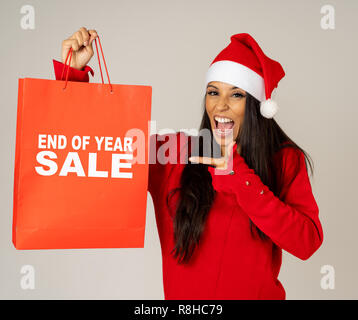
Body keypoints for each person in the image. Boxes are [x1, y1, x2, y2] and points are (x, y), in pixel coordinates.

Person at [52, 27, 323, 300]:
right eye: (213, 92)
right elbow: (99, 149)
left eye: (237, 94)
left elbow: (306, 242)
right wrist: (74, 80)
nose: (221, 106)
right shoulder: (175, 151)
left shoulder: (284, 159)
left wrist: (241, 178)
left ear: (256, 104)